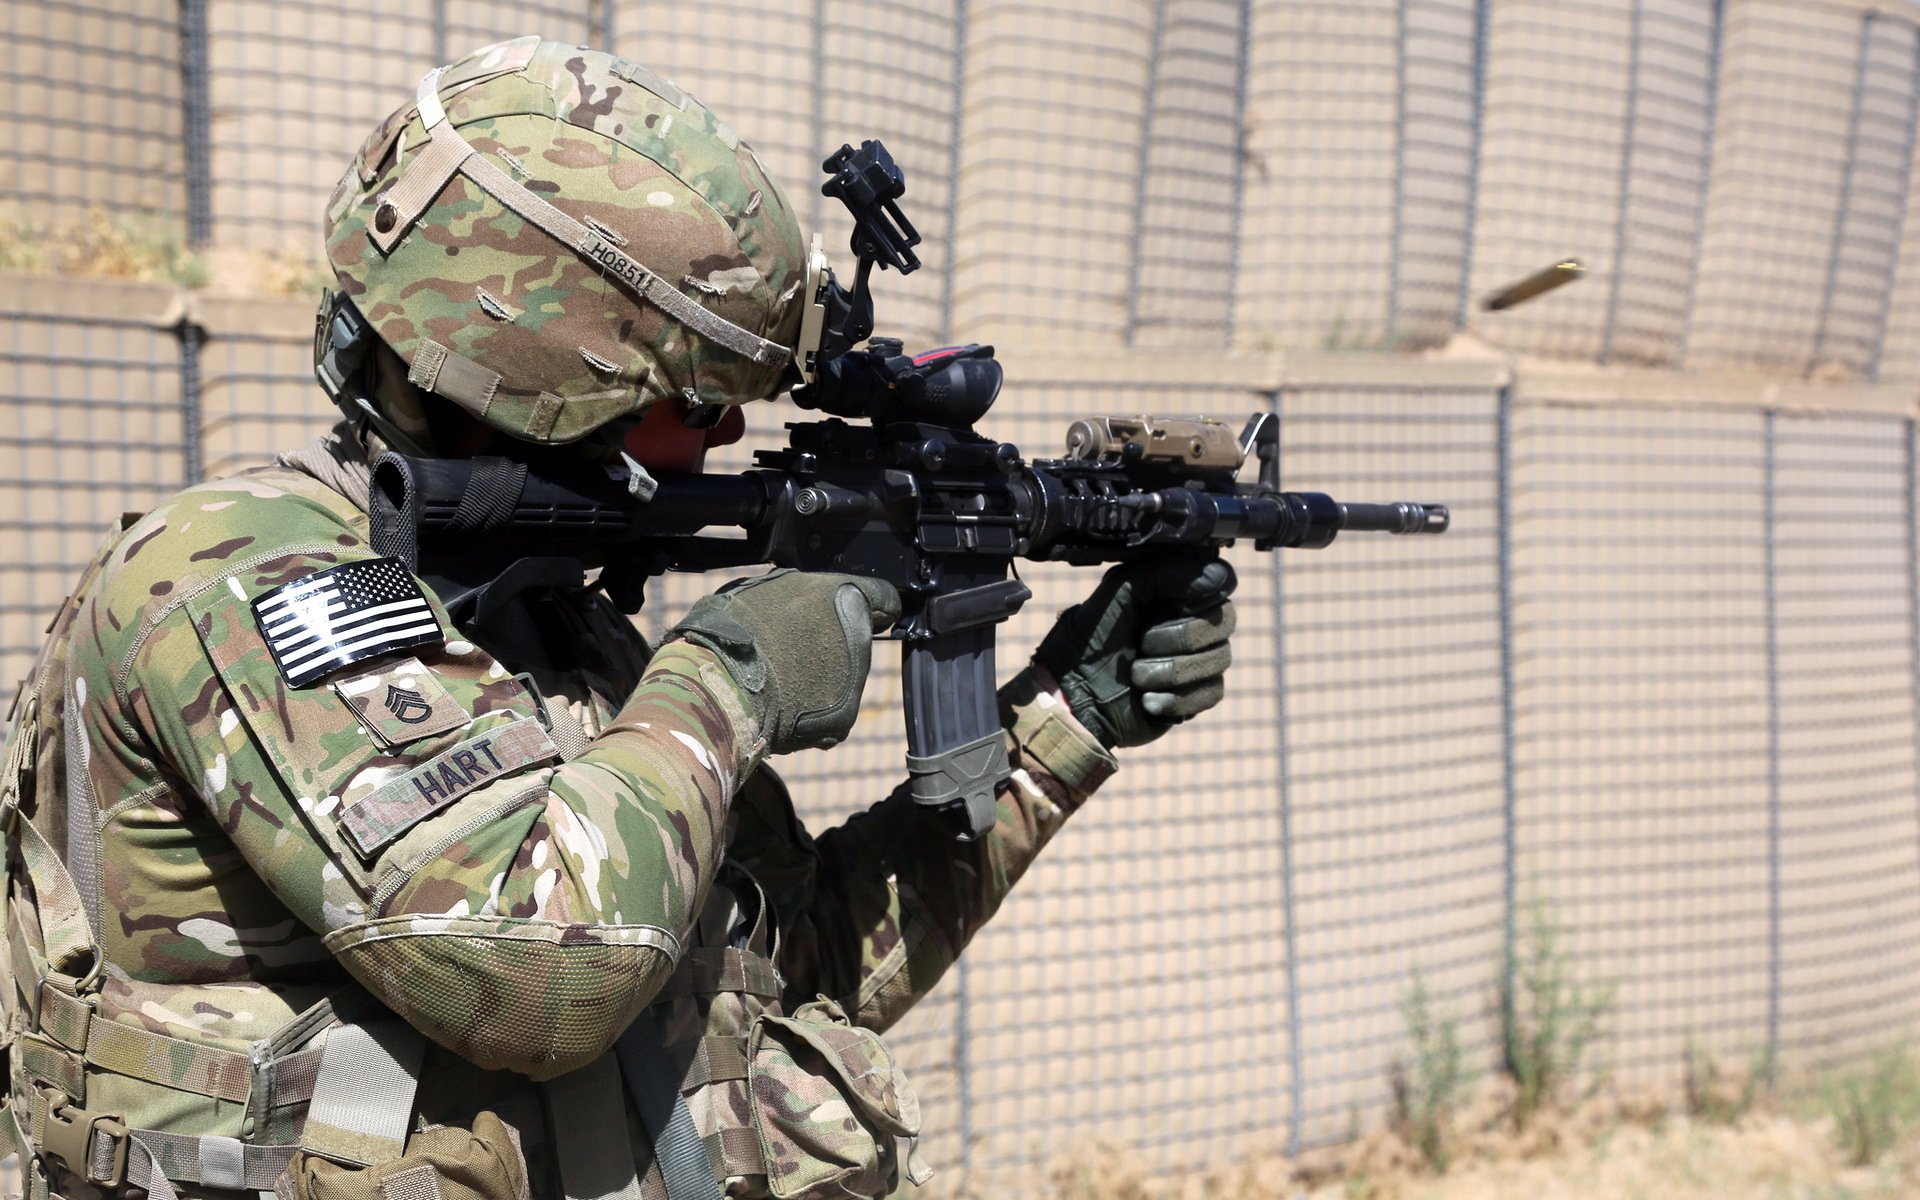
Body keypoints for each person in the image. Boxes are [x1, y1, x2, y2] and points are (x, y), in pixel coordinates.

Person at [0, 38, 1235, 1200]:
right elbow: (539, 980)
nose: (729, 433)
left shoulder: (557, 629)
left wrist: (1064, 722)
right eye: (694, 401)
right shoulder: (244, 577)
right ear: (543, 375)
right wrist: (730, 679)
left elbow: (783, 967)